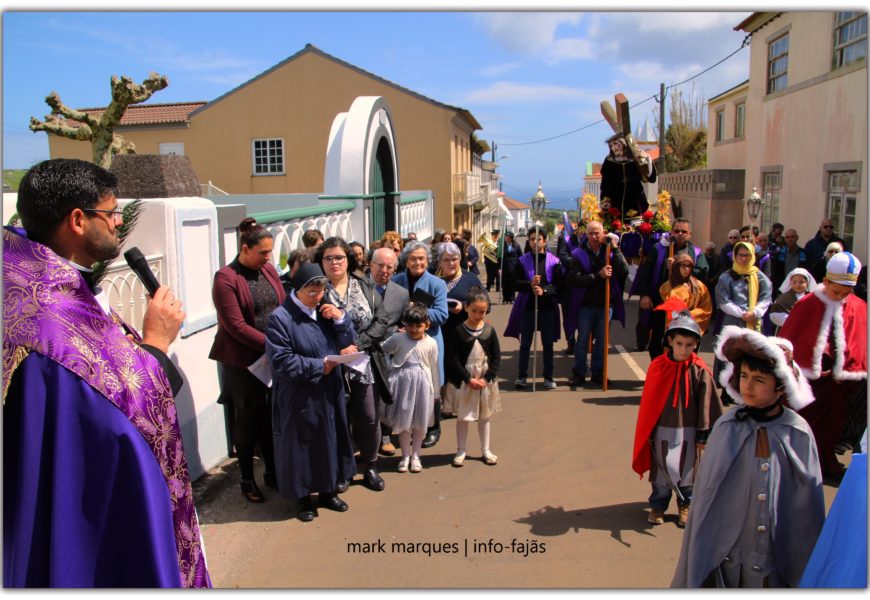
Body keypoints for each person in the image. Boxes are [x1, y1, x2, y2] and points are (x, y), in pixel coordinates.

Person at [3, 158, 209, 587]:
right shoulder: (54, 322)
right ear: (78, 220)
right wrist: (156, 344)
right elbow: (120, 418)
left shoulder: (22, 276)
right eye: (111, 212)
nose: (118, 222)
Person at [672, 326, 823, 588]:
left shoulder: (796, 432)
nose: (748, 386)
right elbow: (708, 495)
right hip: (728, 554)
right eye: (744, 376)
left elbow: (806, 505)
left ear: (780, 387)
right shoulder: (727, 426)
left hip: (773, 558)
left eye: (759, 379)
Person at [266, 263, 356, 522]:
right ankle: (303, 498)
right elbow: (281, 361)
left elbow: (346, 341)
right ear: (298, 290)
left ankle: (329, 491)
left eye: (322, 291)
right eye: (312, 292)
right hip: (299, 394)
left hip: (329, 389)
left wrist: (340, 319)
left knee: (330, 439)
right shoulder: (281, 318)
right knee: (302, 445)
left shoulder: (324, 310)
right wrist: (319, 365)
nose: (318, 297)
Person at [210, 217, 285, 503]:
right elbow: (236, 326)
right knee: (248, 418)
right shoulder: (226, 278)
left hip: (271, 356)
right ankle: (246, 478)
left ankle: (272, 470)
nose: (268, 257)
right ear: (244, 248)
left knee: (270, 414)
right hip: (244, 361)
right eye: (263, 252)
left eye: (270, 251)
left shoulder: (268, 270)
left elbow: (281, 304)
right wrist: (273, 345)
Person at [779, 252, 867, 483]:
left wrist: (846, 368)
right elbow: (791, 341)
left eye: (846, 293)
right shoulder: (807, 304)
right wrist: (807, 366)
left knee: (831, 428)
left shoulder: (857, 305)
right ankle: (798, 465)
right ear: (826, 281)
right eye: (836, 292)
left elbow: (859, 342)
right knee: (804, 426)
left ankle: (825, 464)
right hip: (810, 383)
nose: (841, 297)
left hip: (838, 384)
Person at [631, 310, 723, 528]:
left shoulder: (699, 371)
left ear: (696, 345)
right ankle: (658, 505)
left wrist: (703, 433)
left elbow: (707, 403)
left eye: (689, 345)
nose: (683, 349)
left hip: (689, 430)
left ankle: (686, 505)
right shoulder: (658, 367)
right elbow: (650, 403)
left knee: (688, 471)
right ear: (670, 341)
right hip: (662, 429)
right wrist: (649, 430)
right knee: (662, 472)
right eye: (679, 343)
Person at [315, 237, 390, 492]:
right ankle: (343, 470)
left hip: (364, 363)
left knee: (368, 417)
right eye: (328, 258)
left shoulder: (364, 285)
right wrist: (338, 350)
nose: (334, 262)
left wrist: (357, 345)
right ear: (321, 261)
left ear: (348, 259)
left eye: (339, 257)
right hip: (332, 366)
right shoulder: (317, 289)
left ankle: (370, 465)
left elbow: (381, 321)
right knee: (339, 419)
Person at [392, 240, 449, 448]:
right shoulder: (395, 281)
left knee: (431, 385)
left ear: (428, 260)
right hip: (403, 343)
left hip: (429, 343)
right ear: (406, 260)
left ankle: (433, 428)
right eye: (413, 259)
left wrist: (416, 309)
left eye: (422, 259)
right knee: (404, 385)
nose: (418, 262)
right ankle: (405, 427)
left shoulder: (437, 284)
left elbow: (442, 315)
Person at [565, 220, 627, 387]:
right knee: (582, 341)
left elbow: (623, 270)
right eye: (591, 233)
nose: (594, 236)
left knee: (601, 341)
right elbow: (575, 280)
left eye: (597, 233)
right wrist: (598, 275)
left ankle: (598, 373)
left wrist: (615, 247)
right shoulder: (578, 254)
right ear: (586, 235)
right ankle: (579, 373)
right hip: (585, 305)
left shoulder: (610, 252)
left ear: (603, 233)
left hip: (605, 306)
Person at [379, 304, 440, 473]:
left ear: (427, 325)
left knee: (420, 423)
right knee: (404, 422)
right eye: (410, 325)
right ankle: (405, 456)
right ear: (404, 324)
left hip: (422, 385)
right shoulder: (398, 338)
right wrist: (389, 368)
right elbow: (381, 350)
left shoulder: (431, 343)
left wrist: (436, 391)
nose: (414, 329)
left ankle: (416, 456)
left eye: (418, 326)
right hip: (402, 384)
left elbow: (434, 368)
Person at [445, 287, 502, 467]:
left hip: (484, 380)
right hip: (466, 380)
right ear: (466, 308)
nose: (478, 315)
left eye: (482, 311)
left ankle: (486, 449)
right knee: (463, 416)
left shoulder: (489, 331)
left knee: (484, 416)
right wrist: (468, 379)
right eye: (474, 310)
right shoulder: (459, 331)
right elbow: (453, 358)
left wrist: (487, 378)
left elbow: (496, 357)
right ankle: (461, 450)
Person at [504, 225, 563, 390]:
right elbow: (514, 283)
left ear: (544, 241)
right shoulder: (522, 261)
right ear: (529, 241)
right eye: (532, 239)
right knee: (525, 344)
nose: (535, 242)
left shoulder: (554, 261)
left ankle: (548, 377)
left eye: (538, 239)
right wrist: (530, 284)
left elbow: (558, 285)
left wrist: (544, 290)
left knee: (548, 344)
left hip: (547, 308)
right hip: (528, 308)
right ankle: (522, 376)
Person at [713, 241, 773, 402]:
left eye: (747, 255)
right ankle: (727, 391)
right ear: (735, 256)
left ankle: (747, 390)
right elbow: (723, 301)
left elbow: (766, 298)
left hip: (753, 322)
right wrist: (742, 314)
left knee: (750, 357)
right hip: (732, 322)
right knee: (730, 355)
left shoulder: (759, 277)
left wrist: (755, 312)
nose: (744, 258)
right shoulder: (726, 277)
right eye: (740, 255)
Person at [635, 218, 701, 359]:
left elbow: (703, 275)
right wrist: (645, 295)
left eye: (684, 231)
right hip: (660, 303)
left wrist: (679, 267)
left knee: (680, 339)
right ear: (671, 232)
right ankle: (658, 368)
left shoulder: (696, 253)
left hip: (684, 306)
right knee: (657, 340)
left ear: (690, 234)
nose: (680, 234)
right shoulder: (658, 249)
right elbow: (645, 273)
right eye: (676, 231)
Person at [435, 242, 487, 418]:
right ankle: (446, 405)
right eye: (446, 260)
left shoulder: (470, 278)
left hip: (464, 333)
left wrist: (464, 306)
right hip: (440, 333)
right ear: (440, 262)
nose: (451, 263)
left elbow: (485, 304)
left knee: (461, 367)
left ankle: (464, 405)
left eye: (455, 259)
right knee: (442, 367)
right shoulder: (435, 279)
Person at [368, 247, 410, 457]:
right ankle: (364, 439)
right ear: (371, 265)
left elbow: (403, 322)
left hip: (387, 353)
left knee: (387, 395)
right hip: (364, 349)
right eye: (380, 265)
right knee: (365, 397)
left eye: (390, 267)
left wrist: (401, 331)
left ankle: (384, 437)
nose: (384, 270)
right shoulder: (358, 287)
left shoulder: (401, 293)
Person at [599, 133, 657, 216]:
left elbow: (650, 178)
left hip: (635, 200)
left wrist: (647, 159)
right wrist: (605, 201)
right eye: (611, 145)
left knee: (635, 220)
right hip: (615, 201)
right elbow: (605, 184)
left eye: (615, 144)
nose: (613, 147)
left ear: (624, 143)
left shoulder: (636, 159)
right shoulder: (609, 161)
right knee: (615, 221)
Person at [658, 253, 713, 335]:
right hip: (675, 328)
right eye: (683, 265)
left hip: (693, 327)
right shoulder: (667, 287)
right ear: (676, 267)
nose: (687, 269)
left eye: (689, 266)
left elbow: (706, 308)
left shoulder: (699, 286)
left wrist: (689, 316)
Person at [767, 267, 817, 333]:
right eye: (794, 282)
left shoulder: (812, 298)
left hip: (807, 330)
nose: (797, 285)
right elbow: (774, 314)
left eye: (801, 282)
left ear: (807, 283)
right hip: (787, 330)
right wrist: (792, 319)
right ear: (790, 283)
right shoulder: (783, 298)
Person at [770, 228, 809, 294]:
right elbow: (775, 275)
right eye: (788, 237)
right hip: (783, 290)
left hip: (799, 289)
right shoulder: (779, 255)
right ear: (785, 239)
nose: (790, 239)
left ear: (797, 238)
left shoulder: (804, 254)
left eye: (792, 237)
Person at [500, 231, 522, 304]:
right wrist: (499, 268)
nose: (507, 238)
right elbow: (499, 258)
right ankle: (505, 298)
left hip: (514, 268)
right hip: (505, 267)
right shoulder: (502, 246)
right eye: (506, 237)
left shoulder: (516, 246)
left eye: (508, 237)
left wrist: (519, 266)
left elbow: (520, 256)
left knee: (512, 283)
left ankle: (512, 298)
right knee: (505, 283)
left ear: (511, 238)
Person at [481, 229, 502, 294]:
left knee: (498, 274)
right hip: (489, 262)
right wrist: (486, 260)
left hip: (498, 261)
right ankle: (488, 287)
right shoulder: (489, 242)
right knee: (489, 275)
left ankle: (498, 288)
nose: (493, 236)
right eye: (492, 235)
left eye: (495, 235)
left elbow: (501, 252)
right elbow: (485, 251)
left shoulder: (500, 242)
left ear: (497, 235)